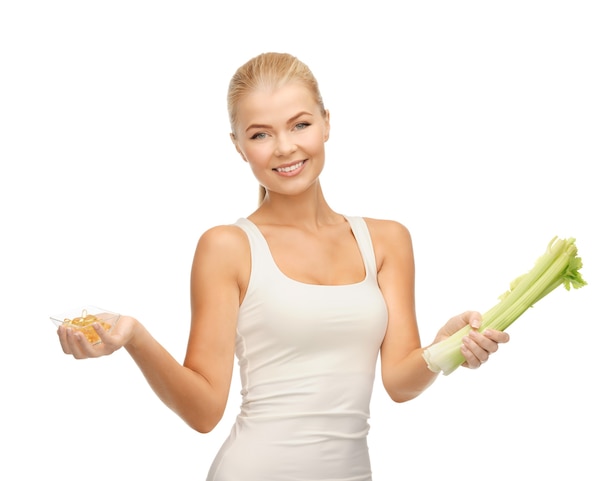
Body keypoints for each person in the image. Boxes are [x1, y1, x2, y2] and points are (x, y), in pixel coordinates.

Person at [57, 52, 510, 481]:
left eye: (300, 124)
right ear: (238, 146)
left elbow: (400, 383)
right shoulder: (228, 247)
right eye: (260, 134)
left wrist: (444, 346)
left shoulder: (388, 240)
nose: (285, 147)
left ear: (327, 123)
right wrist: (135, 336)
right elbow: (203, 411)